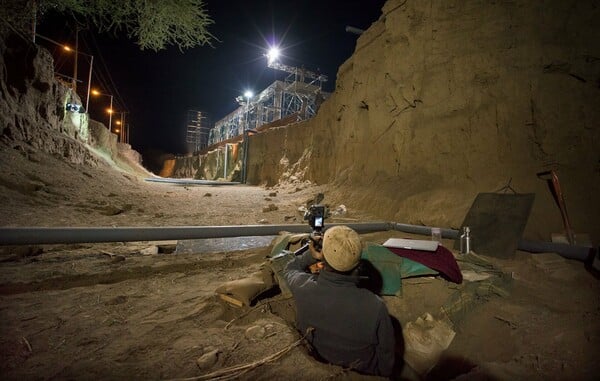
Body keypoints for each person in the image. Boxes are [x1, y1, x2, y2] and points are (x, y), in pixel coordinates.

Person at [282, 225, 395, 377]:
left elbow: (289, 268)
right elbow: (386, 359)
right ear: (357, 262)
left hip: (321, 362)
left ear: (323, 257)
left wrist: (310, 256)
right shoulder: (375, 306)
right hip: (365, 371)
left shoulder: (303, 288)